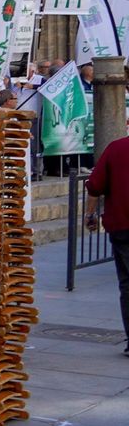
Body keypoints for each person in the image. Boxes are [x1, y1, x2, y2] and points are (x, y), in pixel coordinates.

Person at [83, 134, 129, 357]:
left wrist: (89, 214)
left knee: (128, 285)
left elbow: (95, 185)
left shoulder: (116, 148)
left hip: (123, 226)